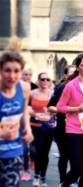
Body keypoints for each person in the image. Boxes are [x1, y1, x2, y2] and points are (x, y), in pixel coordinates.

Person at [57, 53, 83, 187]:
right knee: (77, 169)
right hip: (74, 132)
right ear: (78, 68)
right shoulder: (71, 86)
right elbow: (60, 107)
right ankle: (65, 184)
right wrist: (77, 109)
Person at [0, 37, 34, 187]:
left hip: (14, 153)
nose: (12, 76)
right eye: (7, 71)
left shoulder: (24, 88)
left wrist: (27, 127)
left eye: (16, 71)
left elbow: (24, 109)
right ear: (1, 70)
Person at [47, 65, 76, 184]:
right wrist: (65, 109)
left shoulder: (82, 88)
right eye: (72, 73)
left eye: (76, 73)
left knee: (76, 158)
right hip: (62, 128)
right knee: (64, 156)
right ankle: (62, 181)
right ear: (65, 75)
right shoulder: (60, 89)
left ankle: (73, 181)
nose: (75, 75)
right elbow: (50, 107)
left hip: (77, 128)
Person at [29, 72, 55, 187]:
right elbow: (25, 107)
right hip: (35, 126)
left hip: (49, 126)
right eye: (43, 79)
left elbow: (57, 109)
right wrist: (33, 113)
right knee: (39, 151)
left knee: (45, 153)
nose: (45, 82)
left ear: (50, 82)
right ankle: (36, 176)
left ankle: (43, 177)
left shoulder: (53, 94)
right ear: (38, 81)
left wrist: (49, 112)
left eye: (47, 79)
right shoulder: (31, 93)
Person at [21, 68, 38, 181]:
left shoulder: (35, 88)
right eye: (25, 74)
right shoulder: (17, 87)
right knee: (23, 149)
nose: (28, 76)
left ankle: (32, 157)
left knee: (33, 149)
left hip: (34, 121)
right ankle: (26, 170)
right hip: (20, 121)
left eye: (30, 74)